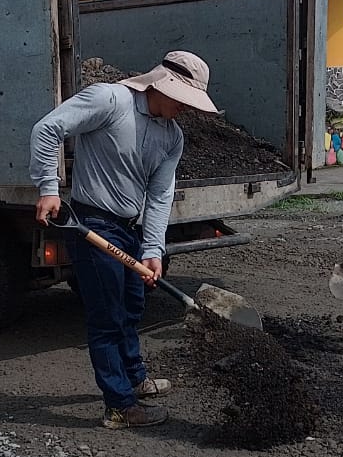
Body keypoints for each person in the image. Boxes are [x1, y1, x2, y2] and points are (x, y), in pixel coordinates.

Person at [30, 50, 220, 428]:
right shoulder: (110, 100)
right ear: (162, 84)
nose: (186, 108)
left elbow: (161, 196)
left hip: (131, 229)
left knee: (132, 307)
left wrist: (153, 248)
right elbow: (47, 129)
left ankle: (134, 378)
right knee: (107, 316)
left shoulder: (172, 136)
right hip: (93, 225)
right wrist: (49, 188)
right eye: (183, 98)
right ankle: (119, 406)